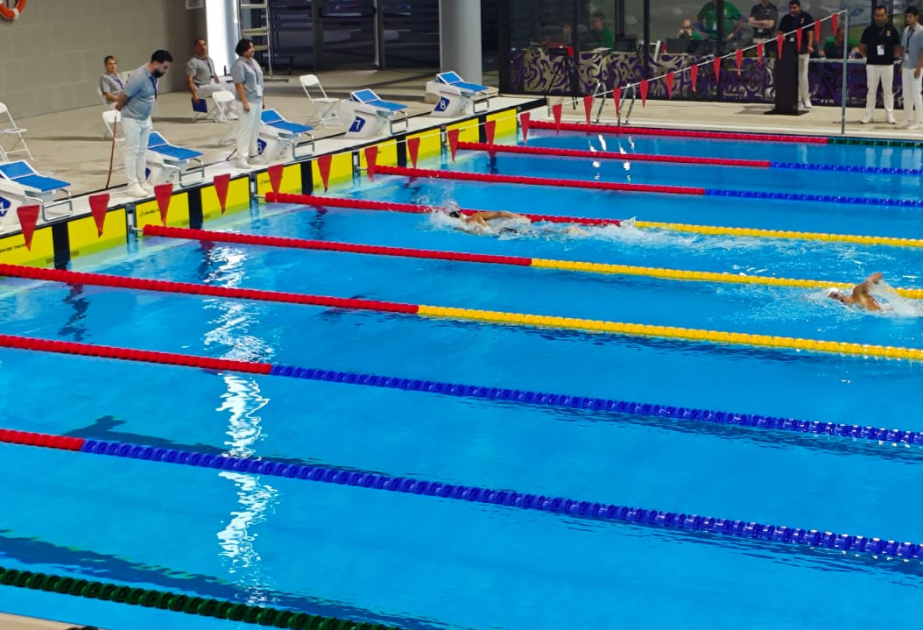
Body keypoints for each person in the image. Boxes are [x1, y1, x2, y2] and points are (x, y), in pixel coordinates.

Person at [115, 49, 173, 198]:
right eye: (164, 67)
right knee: (132, 151)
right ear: (155, 63)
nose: (166, 71)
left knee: (142, 151)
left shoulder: (154, 75)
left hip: (144, 118)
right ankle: (132, 184)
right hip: (132, 118)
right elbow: (123, 95)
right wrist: (119, 107)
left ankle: (142, 181)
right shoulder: (139, 77)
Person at [859, 5, 900, 124]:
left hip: (887, 64)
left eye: (882, 15)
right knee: (871, 90)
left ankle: (890, 115)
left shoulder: (892, 30)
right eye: (877, 15)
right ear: (874, 16)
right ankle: (868, 115)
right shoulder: (869, 30)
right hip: (872, 64)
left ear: (886, 16)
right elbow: (861, 46)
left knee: (888, 90)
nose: (880, 18)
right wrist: (868, 56)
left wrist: (892, 56)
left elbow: (897, 47)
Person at [231, 38, 264, 169]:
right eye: (250, 48)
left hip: (257, 99)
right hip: (247, 100)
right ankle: (241, 157)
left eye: (253, 47)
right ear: (243, 50)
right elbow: (239, 85)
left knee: (255, 129)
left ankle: (253, 154)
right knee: (245, 130)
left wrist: (263, 99)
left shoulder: (253, 62)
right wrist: (245, 102)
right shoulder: (238, 65)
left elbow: (259, 81)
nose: (253, 50)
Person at [186, 38, 237, 120]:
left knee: (233, 86)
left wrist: (219, 82)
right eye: (199, 45)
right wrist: (194, 94)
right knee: (221, 89)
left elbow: (213, 73)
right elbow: (189, 79)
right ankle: (219, 114)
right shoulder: (193, 62)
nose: (202, 47)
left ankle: (228, 112)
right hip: (201, 87)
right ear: (195, 47)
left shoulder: (209, 59)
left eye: (204, 45)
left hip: (211, 84)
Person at [777, 0, 814, 110]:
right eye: (791, 8)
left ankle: (806, 98)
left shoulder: (806, 17)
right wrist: (780, 44)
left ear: (799, 7)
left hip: (803, 49)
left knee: (803, 76)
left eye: (794, 8)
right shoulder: (786, 19)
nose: (792, 10)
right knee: (793, 77)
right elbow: (780, 33)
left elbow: (810, 32)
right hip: (790, 50)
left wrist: (810, 45)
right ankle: (797, 100)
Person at [898, 6, 923, 129]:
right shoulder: (906, 30)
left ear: (916, 17)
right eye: (907, 16)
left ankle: (919, 121)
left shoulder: (921, 31)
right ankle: (907, 119)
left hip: (915, 67)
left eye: (910, 16)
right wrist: (902, 63)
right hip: (907, 66)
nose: (908, 19)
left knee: (916, 94)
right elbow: (904, 49)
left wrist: (919, 67)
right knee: (906, 94)